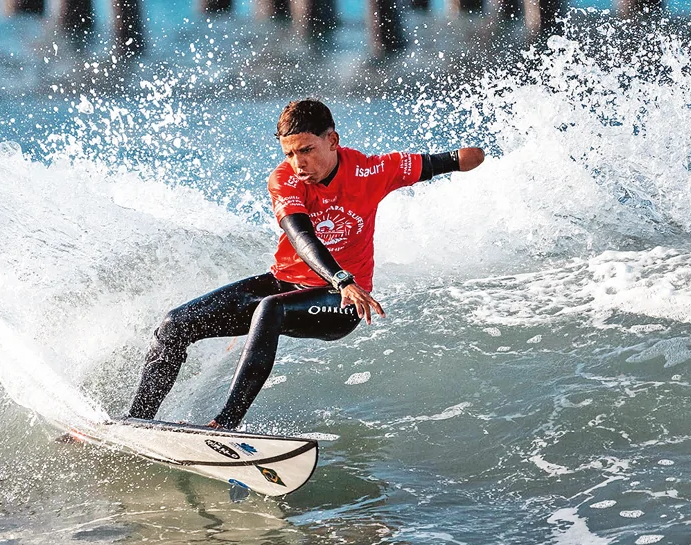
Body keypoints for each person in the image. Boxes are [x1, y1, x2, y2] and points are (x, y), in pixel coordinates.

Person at [128, 99, 485, 429]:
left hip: (343, 302)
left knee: (270, 310)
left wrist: (467, 159)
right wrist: (340, 275)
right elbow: (302, 235)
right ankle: (136, 423)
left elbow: (457, 159)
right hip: (292, 283)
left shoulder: (373, 170)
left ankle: (225, 424)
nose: (299, 164)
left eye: (306, 150)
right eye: (290, 153)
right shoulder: (284, 179)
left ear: (333, 140)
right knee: (175, 325)